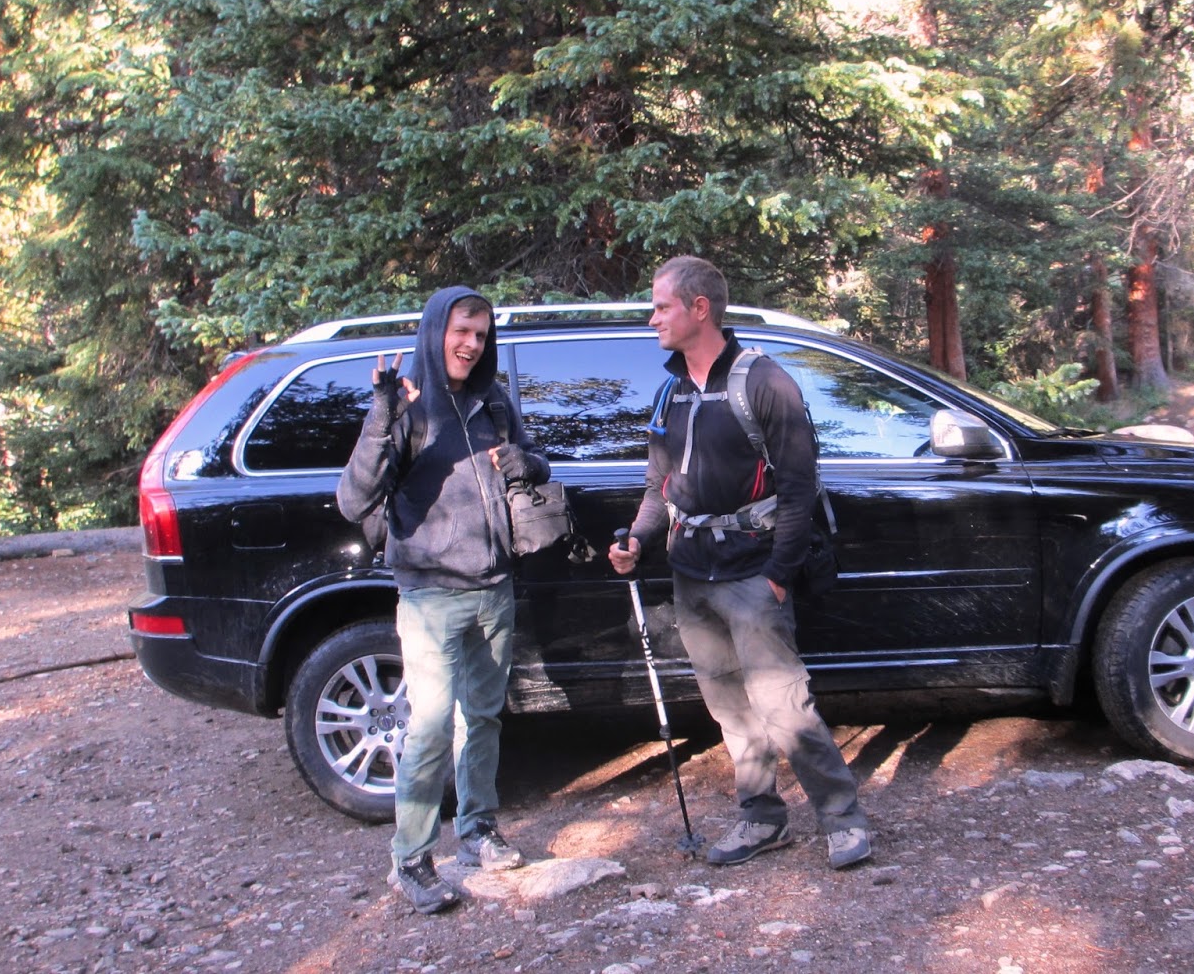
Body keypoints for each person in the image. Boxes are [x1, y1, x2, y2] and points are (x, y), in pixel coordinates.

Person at [608, 255, 871, 870]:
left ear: (699, 308)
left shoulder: (765, 382)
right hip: (690, 573)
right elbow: (658, 488)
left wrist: (778, 576)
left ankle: (843, 819)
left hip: (753, 572)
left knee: (784, 705)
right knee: (730, 710)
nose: (653, 320)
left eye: (662, 307)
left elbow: (800, 491)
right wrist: (638, 540)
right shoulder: (670, 392)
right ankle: (762, 818)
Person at [337, 286, 549, 914]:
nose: (471, 344)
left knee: (482, 718)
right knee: (429, 728)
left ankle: (477, 830)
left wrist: (523, 461)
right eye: (461, 331)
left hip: (494, 589)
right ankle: (411, 856)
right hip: (431, 596)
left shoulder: (493, 402)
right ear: (436, 332)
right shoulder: (406, 406)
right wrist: (381, 416)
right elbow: (353, 500)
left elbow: (538, 466)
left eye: (481, 335)